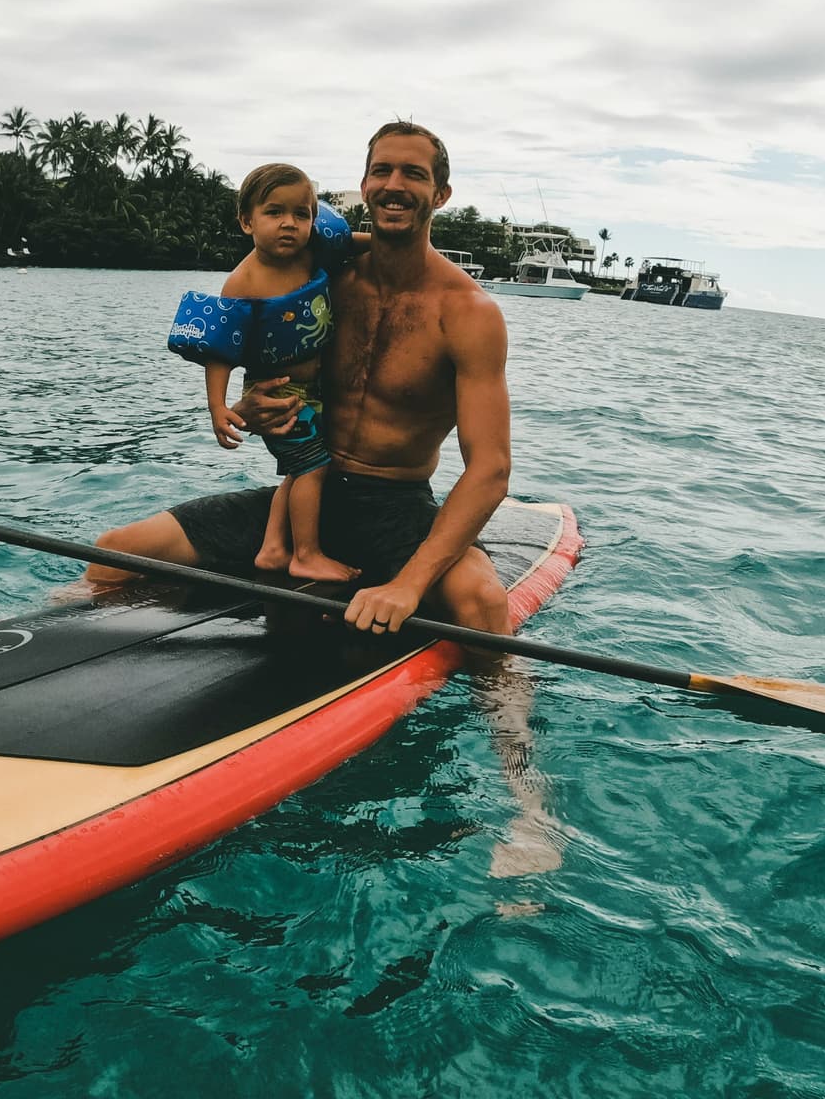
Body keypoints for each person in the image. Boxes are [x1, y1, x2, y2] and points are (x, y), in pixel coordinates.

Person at [93, 120, 558, 876]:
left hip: (392, 508)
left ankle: (528, 805)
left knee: (479, 607)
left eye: (413, 174)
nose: (395, 185)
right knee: (115, 555)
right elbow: (260, 362)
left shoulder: (467, 311)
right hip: (302, 491)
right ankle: (36, 646)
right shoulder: (321, 268)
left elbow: (490, 471)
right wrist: (257, 403)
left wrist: (410, 585)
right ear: (364, 183)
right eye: (381, 170)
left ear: (441, 193)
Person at [167, 162, 359, 582]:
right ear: (246, 221)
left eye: (302, 214)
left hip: (312, 388)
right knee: (312, 466)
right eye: (274, 213)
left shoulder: (312, 255)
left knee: (299, 467)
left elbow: (354, 244)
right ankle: (305, 553)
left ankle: (272, 549)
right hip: (276, 394)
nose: (289, 224)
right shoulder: (244, 281)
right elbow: (219, 353)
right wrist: (218, 408)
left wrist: (383, 244)